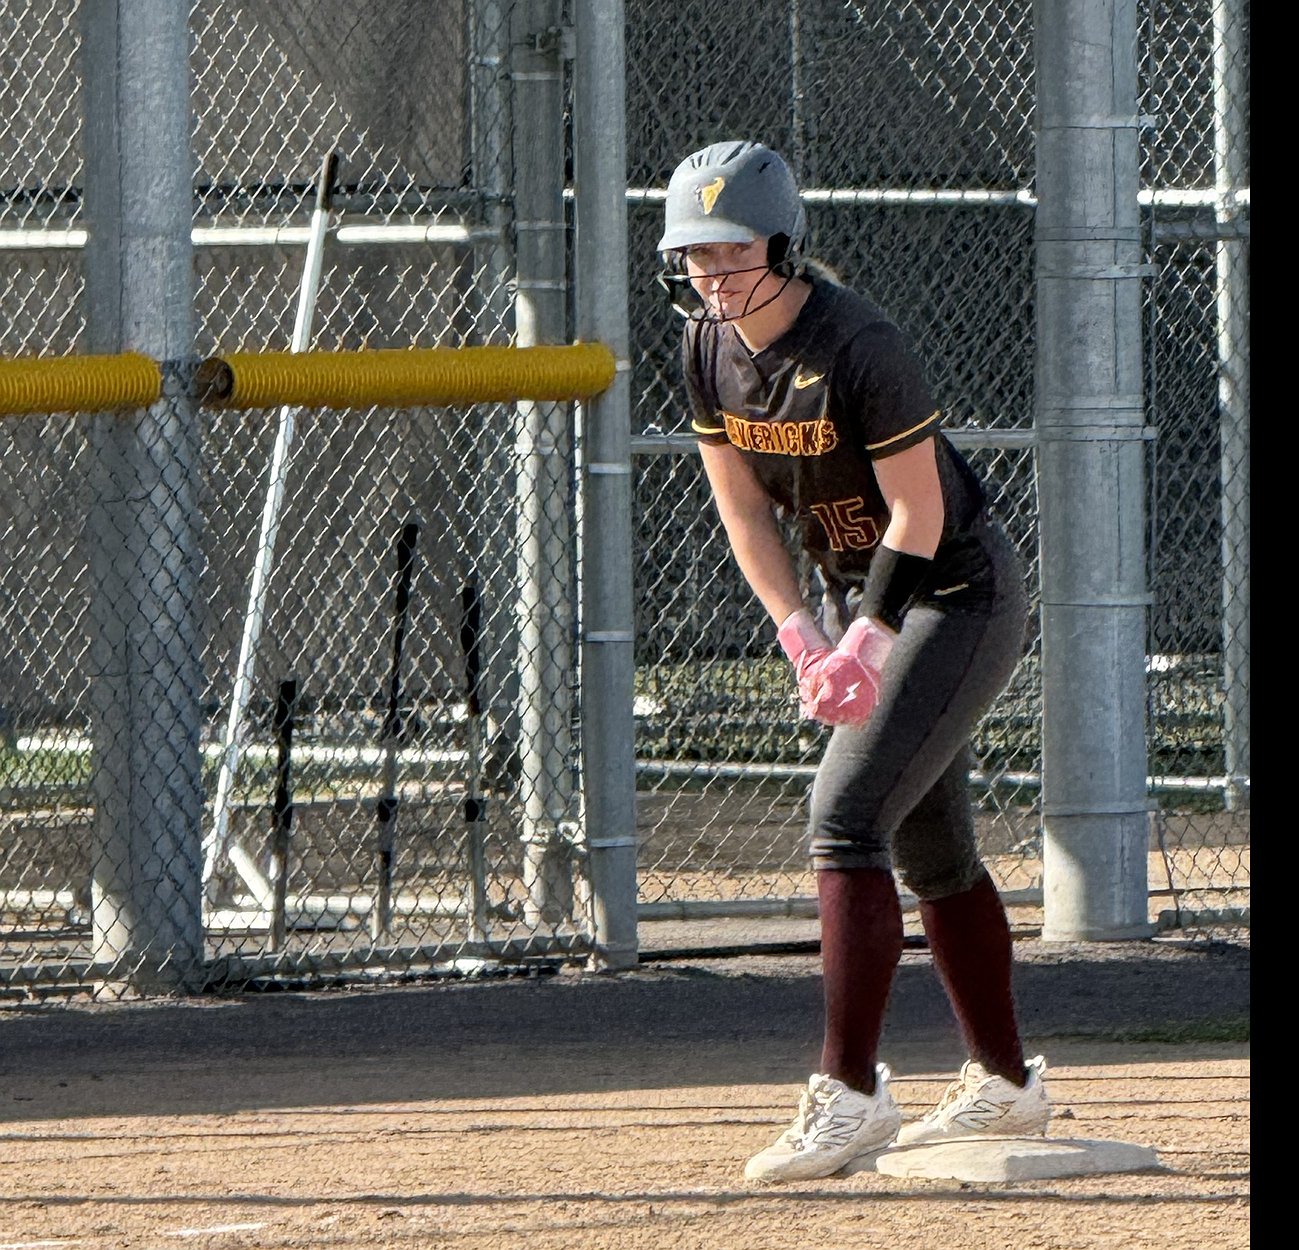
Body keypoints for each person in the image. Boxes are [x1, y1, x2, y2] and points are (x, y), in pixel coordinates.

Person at [656, 139, 1051, 1184]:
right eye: (694, 254)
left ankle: (850, 1094)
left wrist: (867, 639)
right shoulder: (704, 346)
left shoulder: (858, 342)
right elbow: (744, 513)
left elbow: (919, 512)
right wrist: (800, 631)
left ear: (784, 244)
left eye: (732, 250)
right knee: (933, 851)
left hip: (953, 594)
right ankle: (1006, 1084)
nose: (711, 275)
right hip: (852, 594)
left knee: (843, 816)